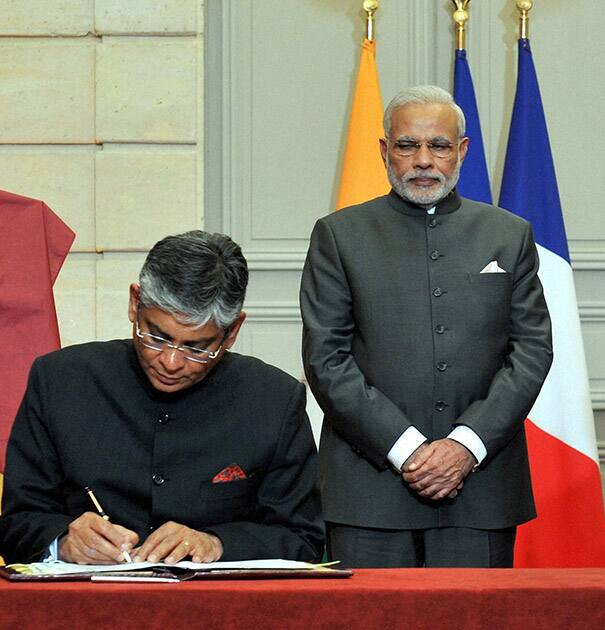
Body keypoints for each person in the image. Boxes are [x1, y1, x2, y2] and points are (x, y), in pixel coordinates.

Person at [300, 85, 552, 568]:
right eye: (406, 145)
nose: (422, 160)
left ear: (461, 151)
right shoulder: (338, 235)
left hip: (480, 489)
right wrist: (407, 450)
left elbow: (532, 352)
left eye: (438, 146)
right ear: (384, 151)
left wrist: (464, 446)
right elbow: (326, 359)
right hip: (368, 491)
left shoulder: (509, 234)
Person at [0, 231, 324, 565]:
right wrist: (63, 541)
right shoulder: (60, 381)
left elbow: (302, 538)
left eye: (196, 348)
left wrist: (217, 544)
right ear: (134, 303)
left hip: (217, 611)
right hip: (86, 606)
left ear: (232, 332)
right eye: (156, 336)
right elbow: (16, 522)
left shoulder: (274, 400)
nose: (170, 362)